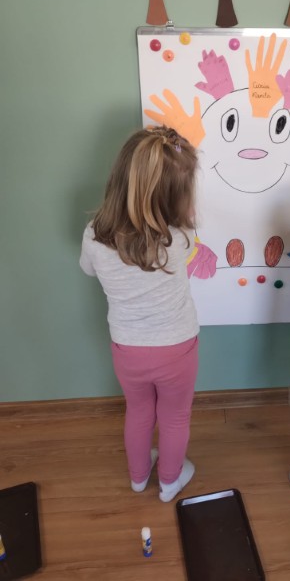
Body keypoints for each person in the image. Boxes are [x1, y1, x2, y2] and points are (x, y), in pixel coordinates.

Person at [80, 126, 199, 502]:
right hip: (177, 347)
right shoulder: (180, 238)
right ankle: (169, 482)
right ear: (176, 196)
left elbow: (88, 270)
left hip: (127, 348)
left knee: (138, 410)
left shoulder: (95, 235)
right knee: (175, 416)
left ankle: (137, 477)